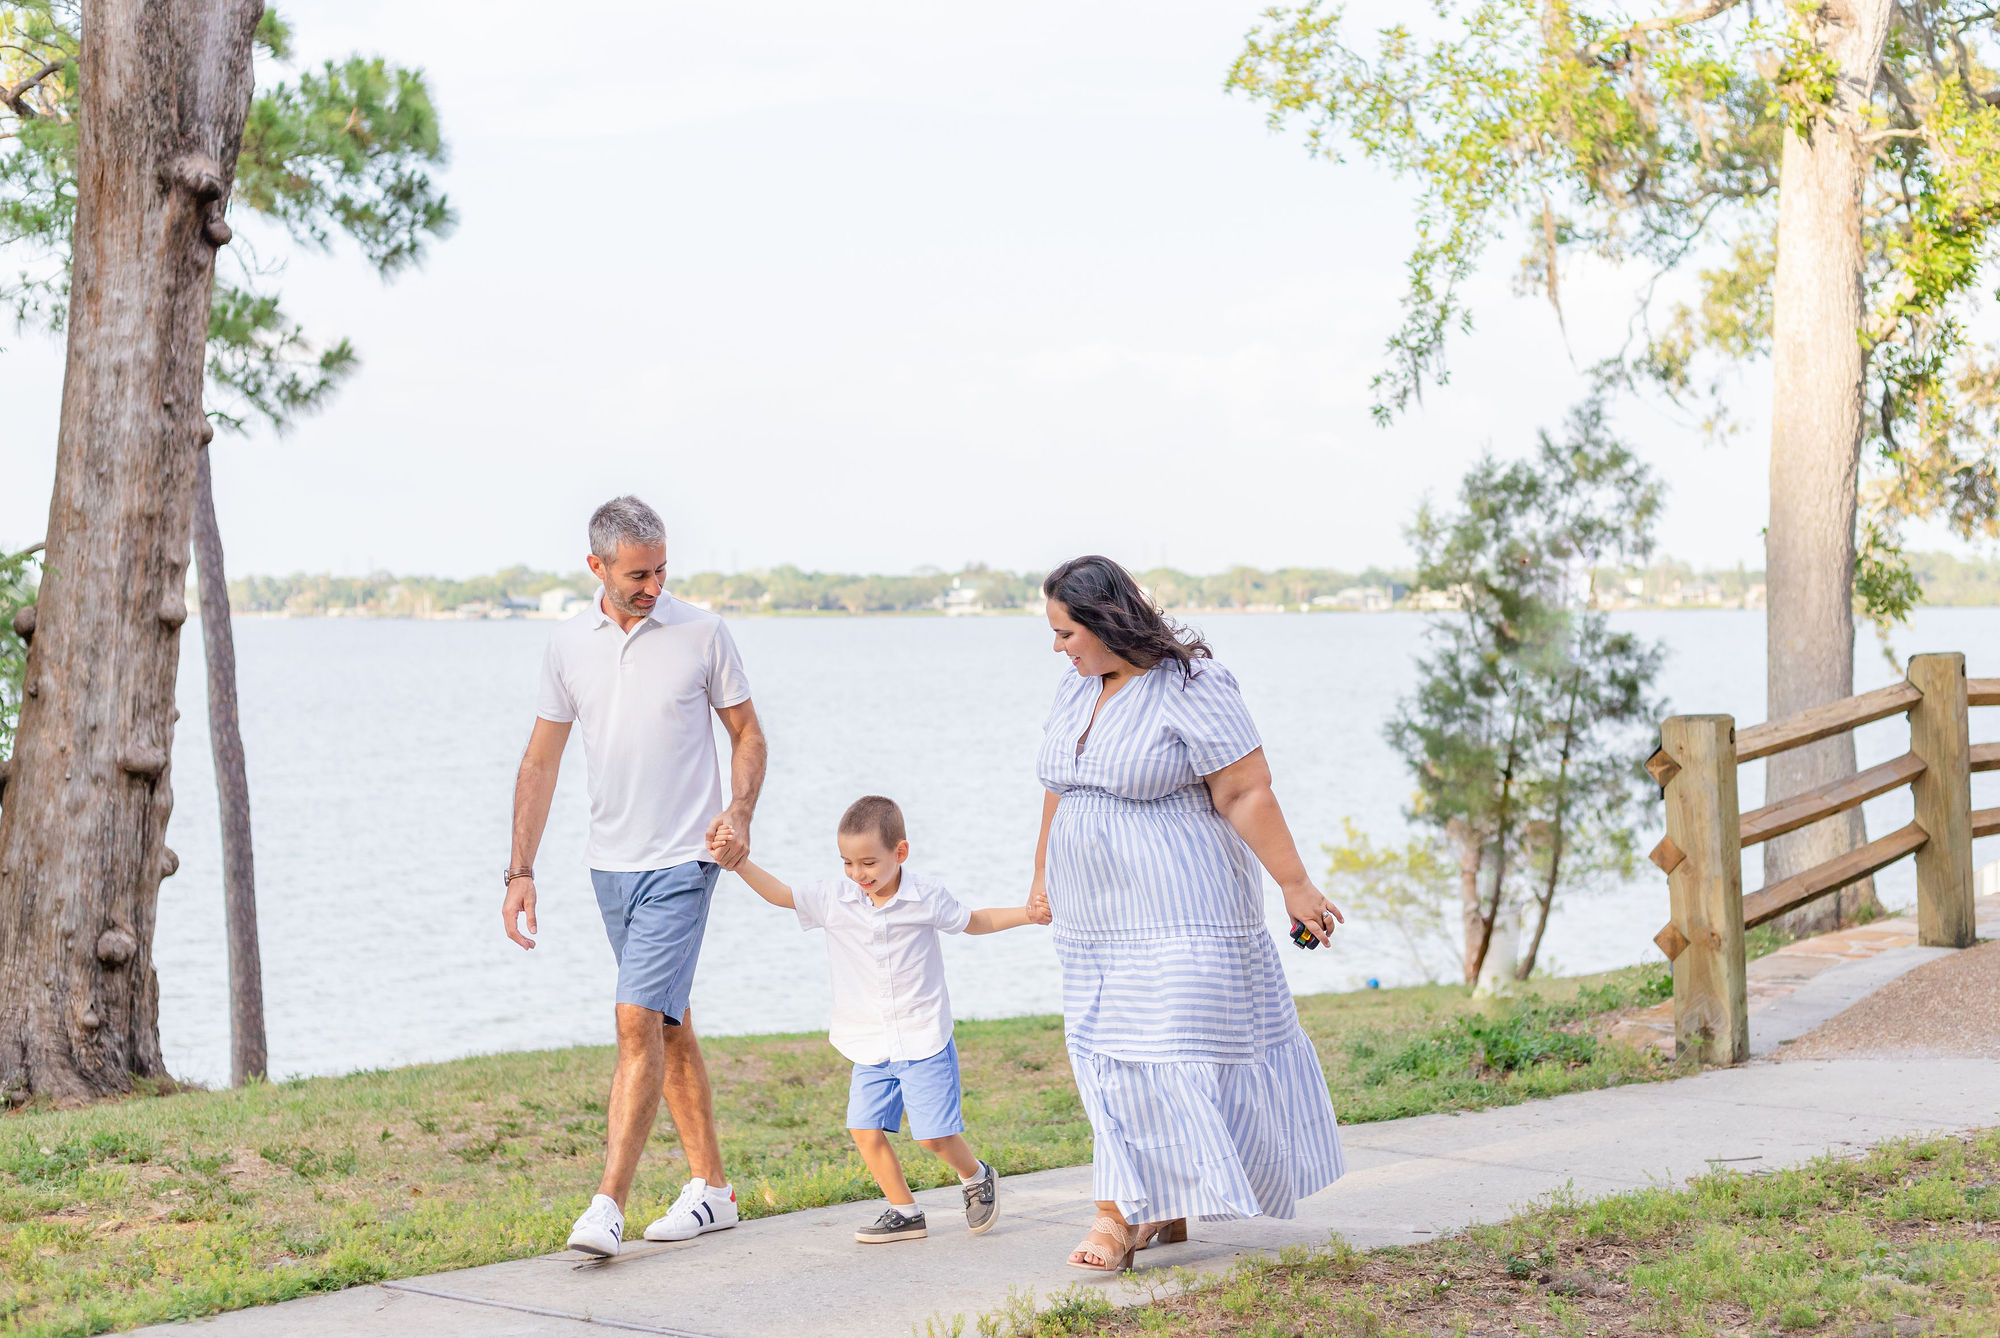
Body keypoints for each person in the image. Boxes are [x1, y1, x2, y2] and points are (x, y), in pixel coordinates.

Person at [1027, 555, 1347, 1271]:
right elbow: (1059, 785)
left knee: (1168, 1051)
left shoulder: (1193, 687)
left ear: (1106, 622)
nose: (1058, 647)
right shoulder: (1076, 689)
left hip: (1183, 909)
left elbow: (1245, 792)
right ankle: (1158, 1205)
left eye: (1065, 631)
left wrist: (1295, 884)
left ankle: (1119, 1214)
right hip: (1094, 922)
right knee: (1109, 1057)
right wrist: (1042, 873)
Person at [502, 495, 768, 1259]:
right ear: (597, 568)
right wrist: (520, 870)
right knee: (665, 1020)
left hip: (685, 857)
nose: (653, 586)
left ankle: (606, 1204)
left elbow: (747, 734)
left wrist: (739, 811)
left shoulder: (702, 633)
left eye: (660, 570)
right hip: (607, 865)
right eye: (636, 574)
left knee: (631, 1019)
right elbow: (540, 760)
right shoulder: (568, 645)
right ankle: (713, 1188)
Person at [713, 794, 1050, 1244]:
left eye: (869, 862)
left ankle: (975, 1175)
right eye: (848, 863)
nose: (858, 874)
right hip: (869, 1041)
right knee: (864, 1129)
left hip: (921, 1037)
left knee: (934, 1139)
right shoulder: (835, 897)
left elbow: (975, 921)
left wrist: (1028, 915)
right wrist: (739, 863)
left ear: (900, 853)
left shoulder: (925, 897)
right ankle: (905, 1211)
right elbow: (782, 895)